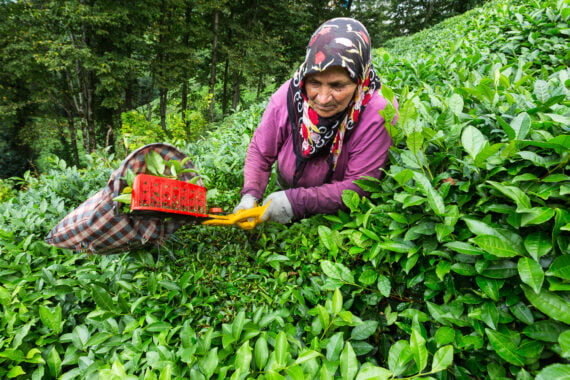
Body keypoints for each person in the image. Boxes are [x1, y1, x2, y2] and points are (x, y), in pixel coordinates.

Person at [234, 17, 396, 224]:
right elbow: (261, 149)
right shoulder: (290, 93)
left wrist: (296, 202)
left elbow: (360, 185)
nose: (323, 98)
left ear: (359, 79)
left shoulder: (378, 112)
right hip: (284, 195)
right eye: (315, 83)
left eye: (338, 86)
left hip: (336, 216)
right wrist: (251, 194)